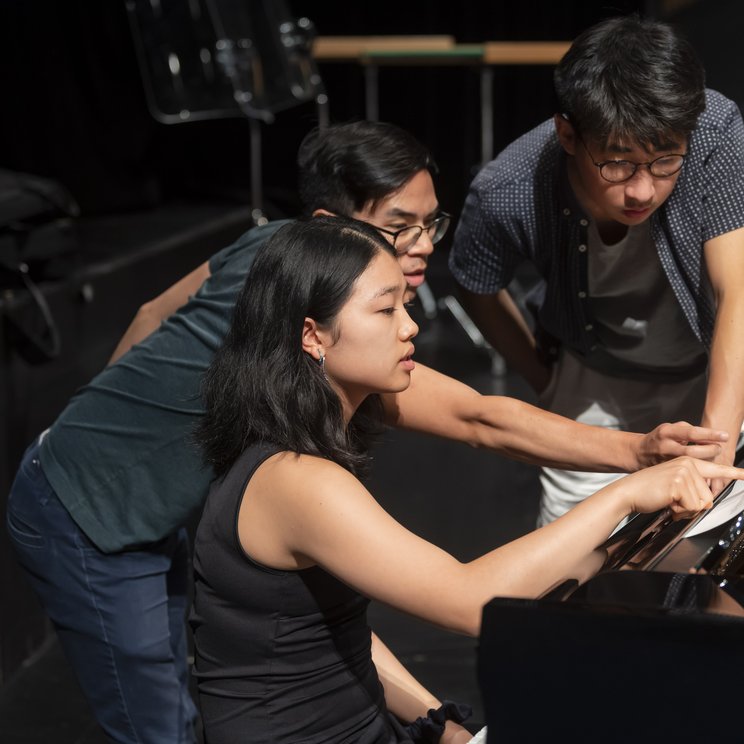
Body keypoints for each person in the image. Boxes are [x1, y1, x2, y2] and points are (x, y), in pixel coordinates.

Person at [5, 120, 727, 744]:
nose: (418, 251)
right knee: (155, 717)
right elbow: (469, 598)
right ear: (328, 241)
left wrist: (637, 450)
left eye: (428, 225)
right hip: (83, 501)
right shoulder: (292, 405)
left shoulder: (306, 363)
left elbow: (478, 414)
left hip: (180, 506)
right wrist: (116, 441)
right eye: (395, 228)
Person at [191, 215, 744, 743]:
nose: (412, 326)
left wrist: (440, 724)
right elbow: (470, 599)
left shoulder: (296, 446)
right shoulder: (297, 481)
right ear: (313, 336)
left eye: (406, 305)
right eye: (385, 311)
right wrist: (623, 493)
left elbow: (335, 631)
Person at [449, 14, 744, 526]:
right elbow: (476, 283)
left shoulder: (712, 130)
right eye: (618, 163)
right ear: (568, 134)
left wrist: (716, 447)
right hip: (593, 388)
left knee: (702, 565)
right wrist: (543, 379)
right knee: (578, 570)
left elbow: (737, 289)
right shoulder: (511, 187)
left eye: (665, 162)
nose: (641, 190)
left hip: (708, 374)